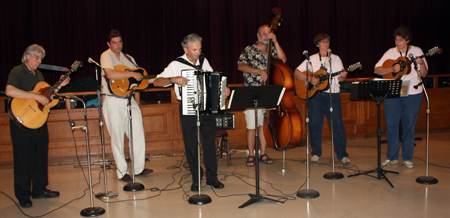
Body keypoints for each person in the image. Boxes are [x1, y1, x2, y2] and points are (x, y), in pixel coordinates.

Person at [153, 33, 229, 192]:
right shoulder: (176, 64)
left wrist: (223, 90)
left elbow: (212, 80)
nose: (197, 53)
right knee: (191, 145)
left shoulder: (203, 61)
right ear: (185, 49)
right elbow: (157, 81)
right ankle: (196, 178)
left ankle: (212, 177)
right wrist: (173, 80)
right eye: (194, 49)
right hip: (188, 109)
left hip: (206, 108)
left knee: (209, 143)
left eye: (199, 49)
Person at [5, 44, 70, 208]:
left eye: (41, 58)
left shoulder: (38, 74)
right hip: (21, 122)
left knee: (40, 157)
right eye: (37, 58)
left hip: (38, 121)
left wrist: (60, 86)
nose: (40, 61)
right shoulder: (17, 71)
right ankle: (23, 195)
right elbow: (9, 90)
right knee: (23, 160)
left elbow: (46, 96)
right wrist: (33, 96)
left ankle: (40, 190)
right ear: (28, 56)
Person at [100, 29, 153, 182]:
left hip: (130, 100)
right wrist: (131, 75)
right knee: (117, 137)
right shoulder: (106, 55)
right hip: (113, 100)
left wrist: (164, 78)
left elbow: (139, 77)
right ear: (109, 44)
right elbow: (110, 74)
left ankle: (138, 168)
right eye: (114, 43)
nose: (118, 45)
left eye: (120, 42)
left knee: (137, 134)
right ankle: (122, 172)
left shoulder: (129, 58)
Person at [374, 26, 428, 169]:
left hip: (413, 93)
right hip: (393, 93)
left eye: (401, 40)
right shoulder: (390, 52)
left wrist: (421, 63)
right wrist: (392, 69)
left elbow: (424, 74)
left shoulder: (417, 51)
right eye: (396, 39)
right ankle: (392, 157)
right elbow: (377, 69)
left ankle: (407, 158)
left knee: (409, 125)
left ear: (408, 40)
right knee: (391, 124)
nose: (397, 42)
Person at [294, 33, 350, 164]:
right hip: (316, 96)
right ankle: (316, 153)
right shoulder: (311, 59)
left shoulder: (336, 59)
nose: (326, 44)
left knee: (337, 125)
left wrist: (343, 76)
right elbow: (296, 72)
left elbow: (342, 78)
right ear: (318, 44)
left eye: (327, 42)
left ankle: (342, 155)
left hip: (333, 94)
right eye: (323, 42)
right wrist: (309, 78)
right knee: (315, 125)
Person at [237, 24, 287, 167]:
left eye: (269, 34)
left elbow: (283, 61)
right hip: (251, 92)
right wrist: (258, 71)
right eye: (264, 34)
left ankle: (263, 153)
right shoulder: (249, 50)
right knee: (252, 126)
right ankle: (251, 154)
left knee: (263, 125)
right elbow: (240, 66)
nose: (267, 36)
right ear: (258, 36)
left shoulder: (273, 51)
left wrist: (276, 42)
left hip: (268, 93)